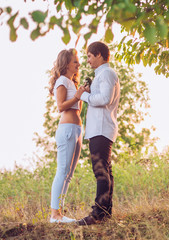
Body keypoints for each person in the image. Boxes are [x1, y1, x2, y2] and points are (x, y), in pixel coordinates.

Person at [75, 41, 120, 226]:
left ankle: (97, 213)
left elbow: (104, 99)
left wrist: (82, 96)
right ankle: (105, 212)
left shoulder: (107, 73)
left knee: (101, 171)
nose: (87, 60)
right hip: (99, 129)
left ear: (99, 55)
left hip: (101, 129)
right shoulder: (103, 74)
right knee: (105, 171)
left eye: (89, 56)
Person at [48, 49, 83, 223]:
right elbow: (61, 106)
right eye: (75, 61)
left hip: (76, 130)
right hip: (67, 129)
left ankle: (60, 213)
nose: (78, 64)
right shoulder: (62, 81)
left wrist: (80, 94)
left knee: (68, 174)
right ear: (66, 63)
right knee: (62, 171)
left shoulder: (71, 82)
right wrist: (78, 96)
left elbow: (78, 109)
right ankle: (54, 215)